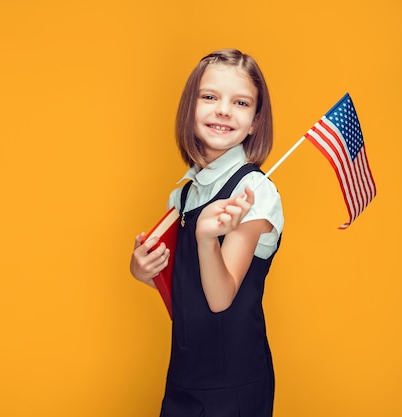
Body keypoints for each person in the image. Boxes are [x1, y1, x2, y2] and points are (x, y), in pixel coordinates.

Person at [129, 49, 284, 417]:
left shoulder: (254, 191)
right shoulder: (183, 194)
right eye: (210, 97)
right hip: (184, 374)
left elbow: (219, 297)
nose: (224, 110)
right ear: (190, 108)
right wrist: (144, 271)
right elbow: (187, 287)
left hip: (234, 383)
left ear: (255, 122)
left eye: (241, 102)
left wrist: (205, 239)